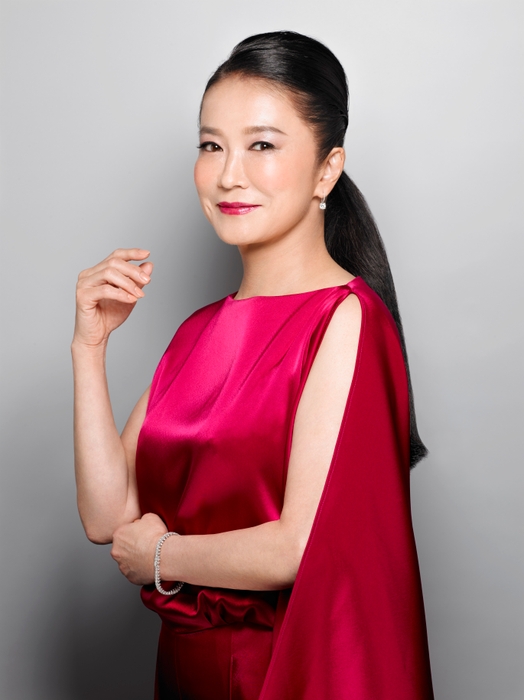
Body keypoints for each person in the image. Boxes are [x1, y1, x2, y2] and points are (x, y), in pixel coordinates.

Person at [72, 31, 434, 700]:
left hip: (281, 673)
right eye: (212, 146)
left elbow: (296, 546)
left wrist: (160, 556)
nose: (228, 175)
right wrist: (88, 349)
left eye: (262, 145)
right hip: (186, 674)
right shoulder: (198, 332)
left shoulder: (346, 319)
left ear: (326, 170)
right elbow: (106, 516)